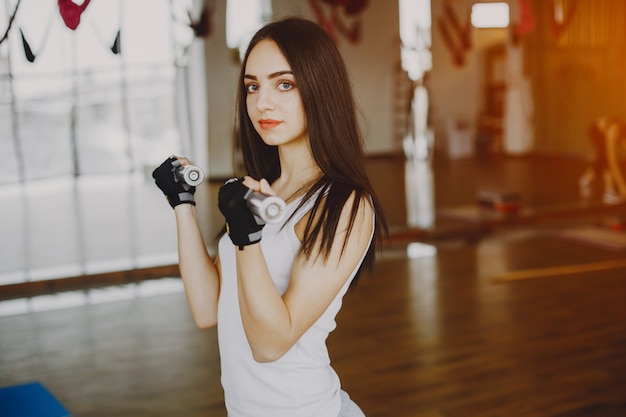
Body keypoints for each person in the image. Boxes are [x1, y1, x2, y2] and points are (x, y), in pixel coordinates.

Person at [152, 17, 388, 417]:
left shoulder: (345, 204)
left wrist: (247, 238)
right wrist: (182, 203)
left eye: (284, 84)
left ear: (319, 89)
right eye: (252, 86)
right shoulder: (265, 193)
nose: (263, 102)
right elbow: (208, 308)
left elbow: (270, 344)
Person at [578, 116, 626, 204]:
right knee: (606, 160)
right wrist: (622, 186)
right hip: (596, 130)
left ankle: (586, 180)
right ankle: (609, 193)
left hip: (605, 129)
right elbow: (612, 162)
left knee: (601, 161)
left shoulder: (623, 133)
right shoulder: (614, 131)